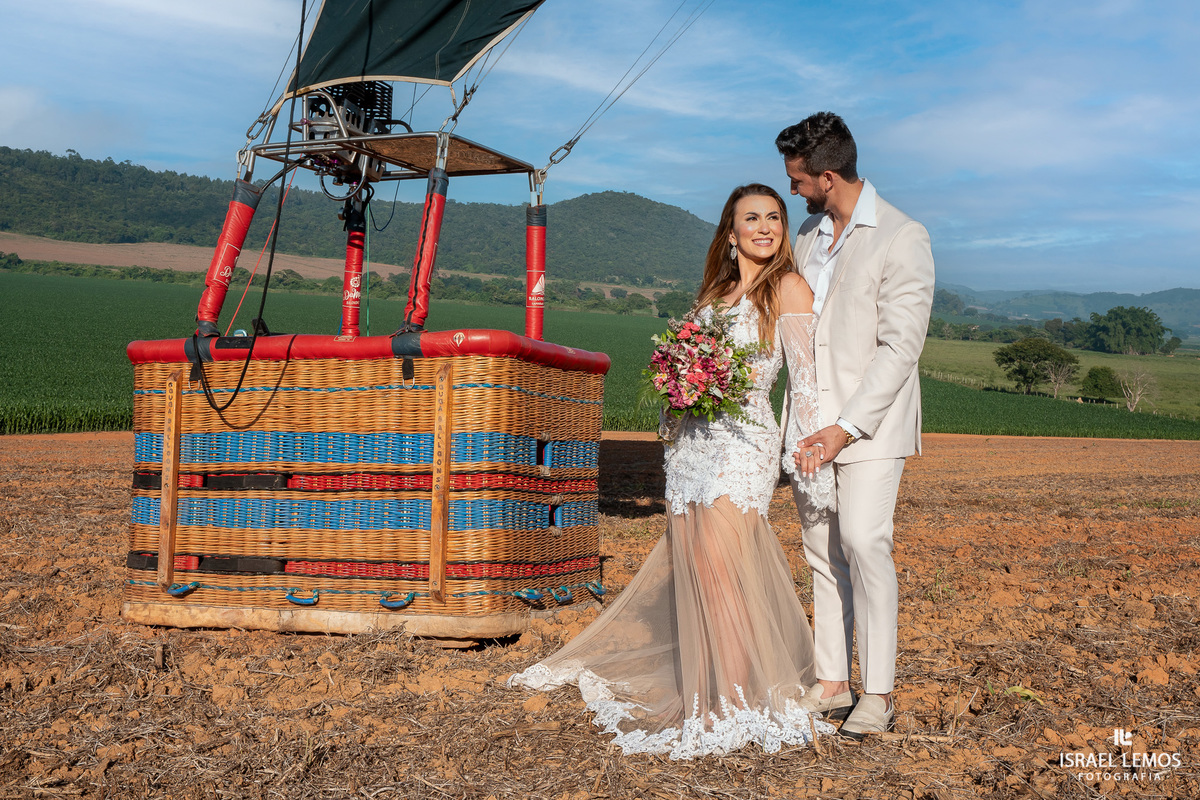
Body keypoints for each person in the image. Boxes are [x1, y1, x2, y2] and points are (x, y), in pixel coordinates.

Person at [509, 184, 836, 758]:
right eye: (751, 219)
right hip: (691, 444)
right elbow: (687, 361)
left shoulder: (789, 288)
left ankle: (730, 703)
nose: (765, 227)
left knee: (725, 569)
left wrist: (804, 456)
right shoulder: (717, 291)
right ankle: (708, 692)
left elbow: (805, 383)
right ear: (730, 234)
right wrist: (676, 392)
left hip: (742, 445)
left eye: (775, 218)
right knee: (699, 569)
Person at [776, 112, 935, 739]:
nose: (791, 190)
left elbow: (901, 349)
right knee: (821, 551)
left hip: (869, 426)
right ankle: (834, 681)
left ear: (829, 175)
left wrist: (845, 428)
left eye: (797, 179)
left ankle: (879, 692)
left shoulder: (902, 236)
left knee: (866, 546)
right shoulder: (811, 233)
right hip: (807, 419)